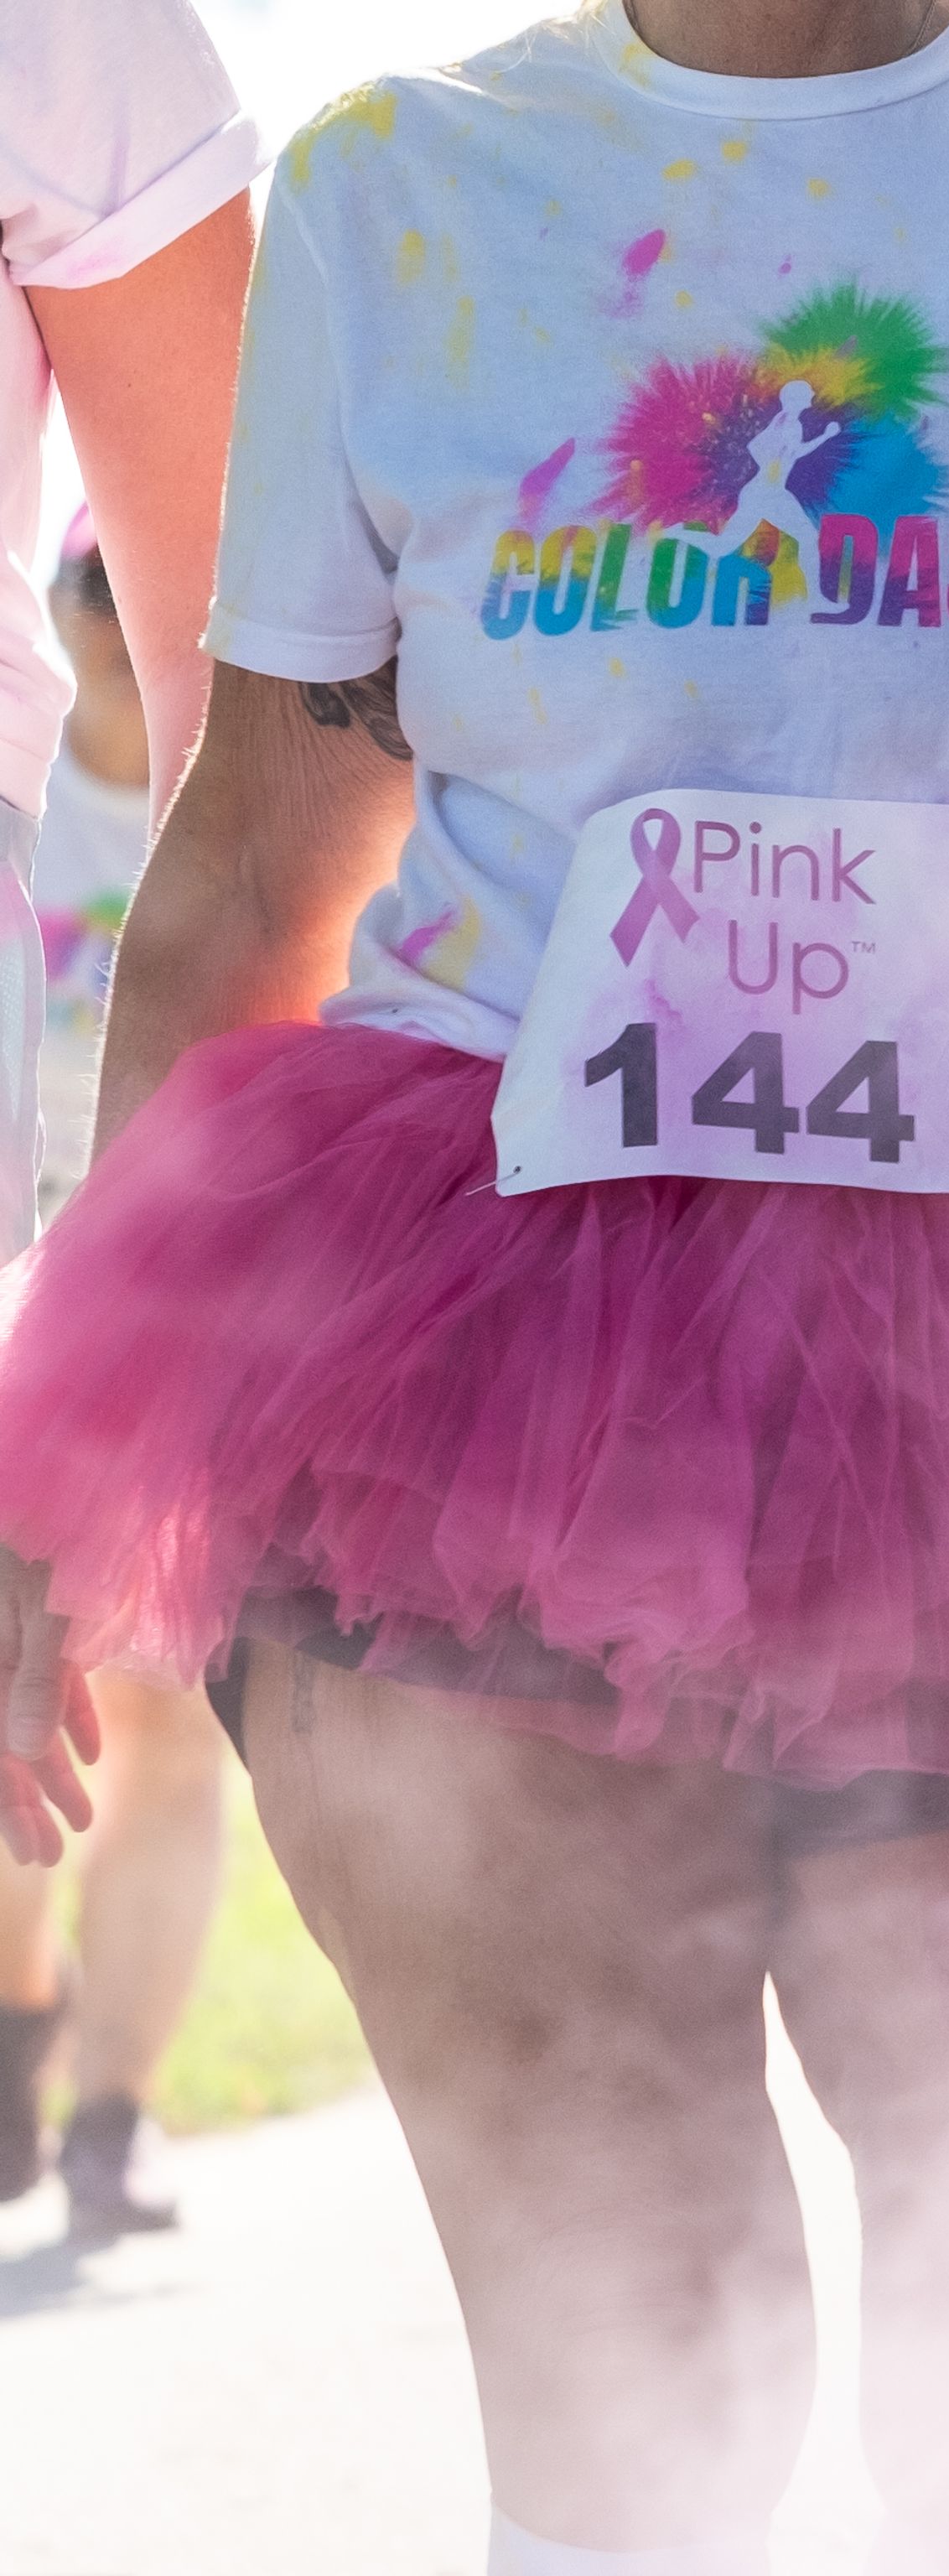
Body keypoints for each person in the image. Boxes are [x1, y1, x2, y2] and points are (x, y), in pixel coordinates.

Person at [0, 1, 949, 2566]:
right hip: (488, 1379)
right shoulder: (406, 181)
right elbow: (252, 860)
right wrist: (56, 1465)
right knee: (644, 2405)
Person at [0, 3, 256, 2225]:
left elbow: (272, 748)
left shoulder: (74, 52)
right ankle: (21, 2062)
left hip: (122, 1261)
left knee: (159, 1703)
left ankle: (105, 2118)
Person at [0, 521, 232, 2239]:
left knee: (158, 1713)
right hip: (11, 1286)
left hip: (174, 1306)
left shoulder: (226, 786)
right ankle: (21, 2025)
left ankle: (115, 2121)